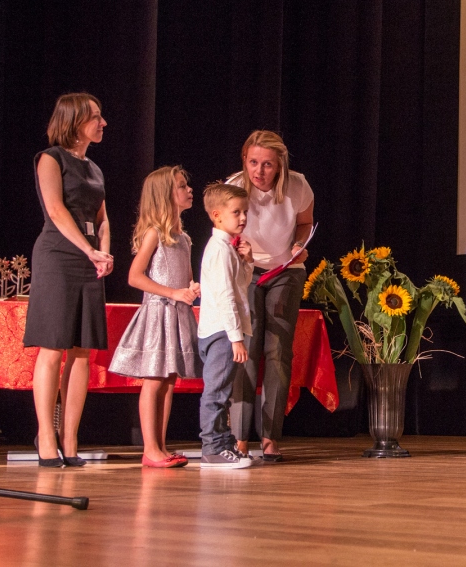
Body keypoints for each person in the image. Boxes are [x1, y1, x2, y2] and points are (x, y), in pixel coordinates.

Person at [24, 93, 113, 468]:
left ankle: (70, 439)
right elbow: (57, 211)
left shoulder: (94, 168)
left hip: (90, 262)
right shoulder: (50, 158)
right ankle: (46, 436)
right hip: (59, 256)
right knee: (54, 347)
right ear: (75, 121)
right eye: (95, 117)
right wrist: (87, 249)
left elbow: (103, 217)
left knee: (83, 351)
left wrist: (104, 252)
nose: (103, 123)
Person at [227, 130, 314, 462]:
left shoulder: (298, 186)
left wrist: (299, 246)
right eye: (253, 163)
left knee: (278, 352)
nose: (259, 171)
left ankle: (270, 437)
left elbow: (305, 224)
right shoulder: (234, 185)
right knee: (246, 351)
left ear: (279, 166)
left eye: (267, 165)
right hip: (247, 271)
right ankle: (238, 438)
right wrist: (239, 245)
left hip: (286, 273)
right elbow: (223, 227)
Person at [109, 166, 203, 468]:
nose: (189, 190)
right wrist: (173, 293)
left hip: (177, 314)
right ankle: (150, 449)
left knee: (168, 381)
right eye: (181, 186)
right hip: (158, 313)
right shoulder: (155, 235)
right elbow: (135, 277)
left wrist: (191, 289)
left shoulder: (184, 239)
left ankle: (160, 446)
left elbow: (185, 279)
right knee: (153, 380)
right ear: (165, 196)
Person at [198, 183, 257, 468]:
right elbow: (224, 297)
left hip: (226, 330)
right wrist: (235, 338)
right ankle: (212, 447)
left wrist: (247, 263)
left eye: (245, 211)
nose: (243, 217)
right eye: (237, 212)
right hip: (221, 330)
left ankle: (222, 443)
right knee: (217, 391)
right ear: (217, 215)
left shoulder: (228, 248)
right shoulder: (219, 249)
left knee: (223, 390)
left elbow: (239, 287)